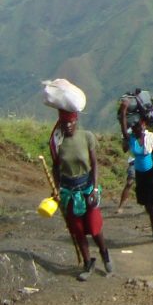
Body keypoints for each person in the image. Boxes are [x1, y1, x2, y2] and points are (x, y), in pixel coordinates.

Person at [53, 111, 113, 280]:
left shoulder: (87, 137)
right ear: (60, 124)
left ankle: (104, 253)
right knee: (77, 229)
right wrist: (57, 188)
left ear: (76, 121)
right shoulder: (58, 142)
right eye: (65, 123)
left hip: (87, 187)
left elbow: (94, 164)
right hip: (69, 191)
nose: (68, 126)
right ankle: (88, 263)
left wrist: (94, 189)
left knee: (94, 227)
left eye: (71, 122)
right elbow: (55, 167)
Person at [118, 94, 153, 240]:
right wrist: (124, 110)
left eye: (139, 126)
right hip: (140, 174)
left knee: (152, 205)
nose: (138, 129)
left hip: (151, 174)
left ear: (143, 125)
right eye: (135, 127)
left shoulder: (150, 137)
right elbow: (123, 127)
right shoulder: (131, 139)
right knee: (147, 205)